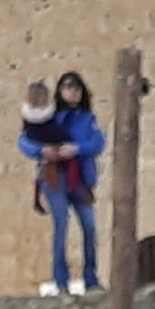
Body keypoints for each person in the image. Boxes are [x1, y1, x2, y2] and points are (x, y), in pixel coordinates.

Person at [33, 70, 105, 295]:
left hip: (80, 178)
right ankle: (61, 281)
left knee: (89, 226)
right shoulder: (49, 117)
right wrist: (42, 150)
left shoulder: (87, 119)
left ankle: (91, 279)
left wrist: (77, 149)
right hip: (56, 177)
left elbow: (98, 143)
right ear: (60, 91)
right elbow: (25, 141)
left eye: (76, 87)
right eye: (66, 86)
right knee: (61, 224)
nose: (71, 91)